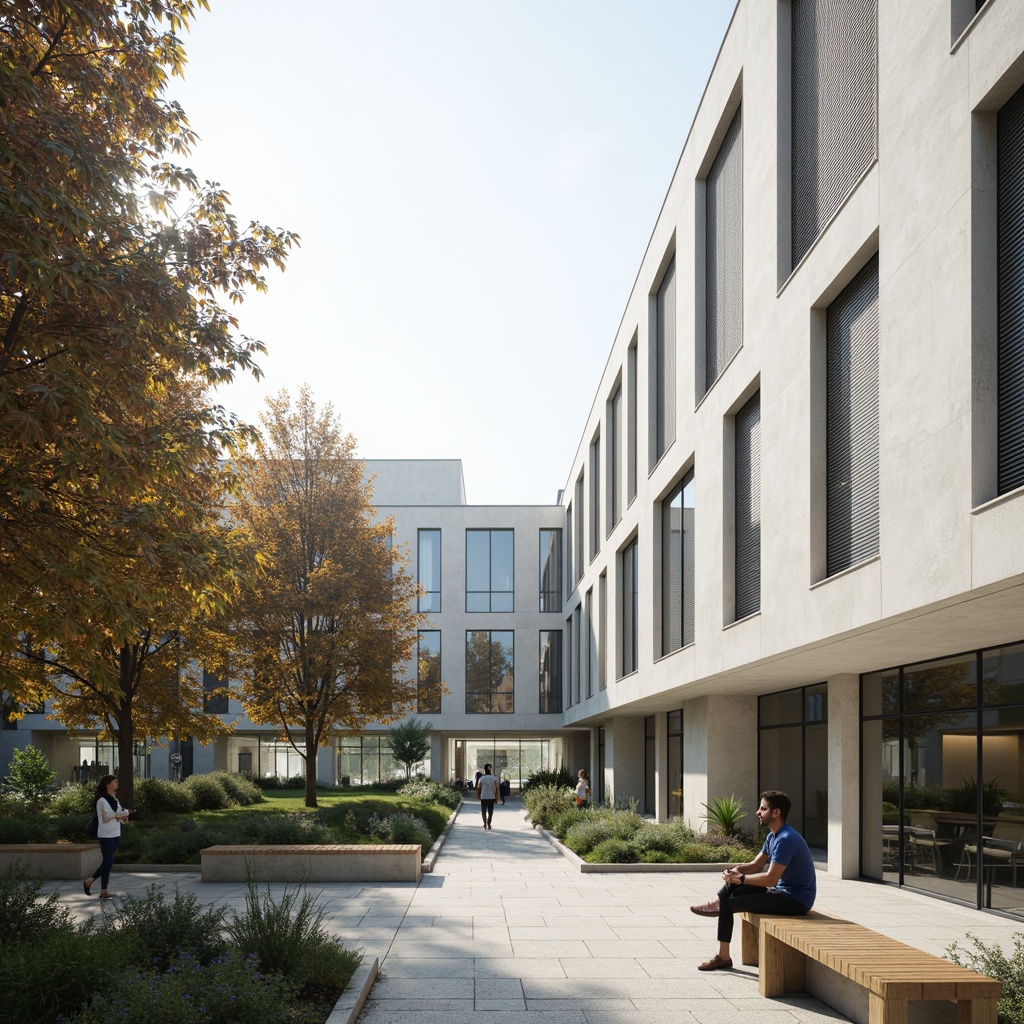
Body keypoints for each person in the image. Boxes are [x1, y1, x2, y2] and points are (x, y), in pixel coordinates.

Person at [690, 790, 816, 971]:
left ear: (776, 812)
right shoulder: (773, 835)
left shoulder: (786, 839)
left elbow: (771, 879)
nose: (758, 812)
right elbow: (756, 865)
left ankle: (723, 955)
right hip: (781, 893)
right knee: (731, 895)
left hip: (795, 900)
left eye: (763, 808)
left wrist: (740, 878)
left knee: (730, 903)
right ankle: (717, 903)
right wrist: (736, 870)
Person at [83, 774, 130, 900]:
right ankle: (90, 881)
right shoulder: (102, 800)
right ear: (108, 784)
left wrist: (124, 814)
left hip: (115, 833)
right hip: (106, 834)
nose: (118, 783)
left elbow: (117, 812)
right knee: (108, 862)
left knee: (107, 863)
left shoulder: (114, 799)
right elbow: (106, 817)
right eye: (116, 781)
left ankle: (104, 891)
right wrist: (120, 816)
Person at [477, 763, 499, 829]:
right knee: (490, 812)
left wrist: (478, 796)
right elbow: (497, 788)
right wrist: (497, 797)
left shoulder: (481, 779)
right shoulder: (494, 778)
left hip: (483, 797)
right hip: (491, 797)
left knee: (483, 811)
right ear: (490, 770)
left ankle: (484, 824)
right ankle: (489, 824)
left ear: (484, 770)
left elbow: (478, 788)